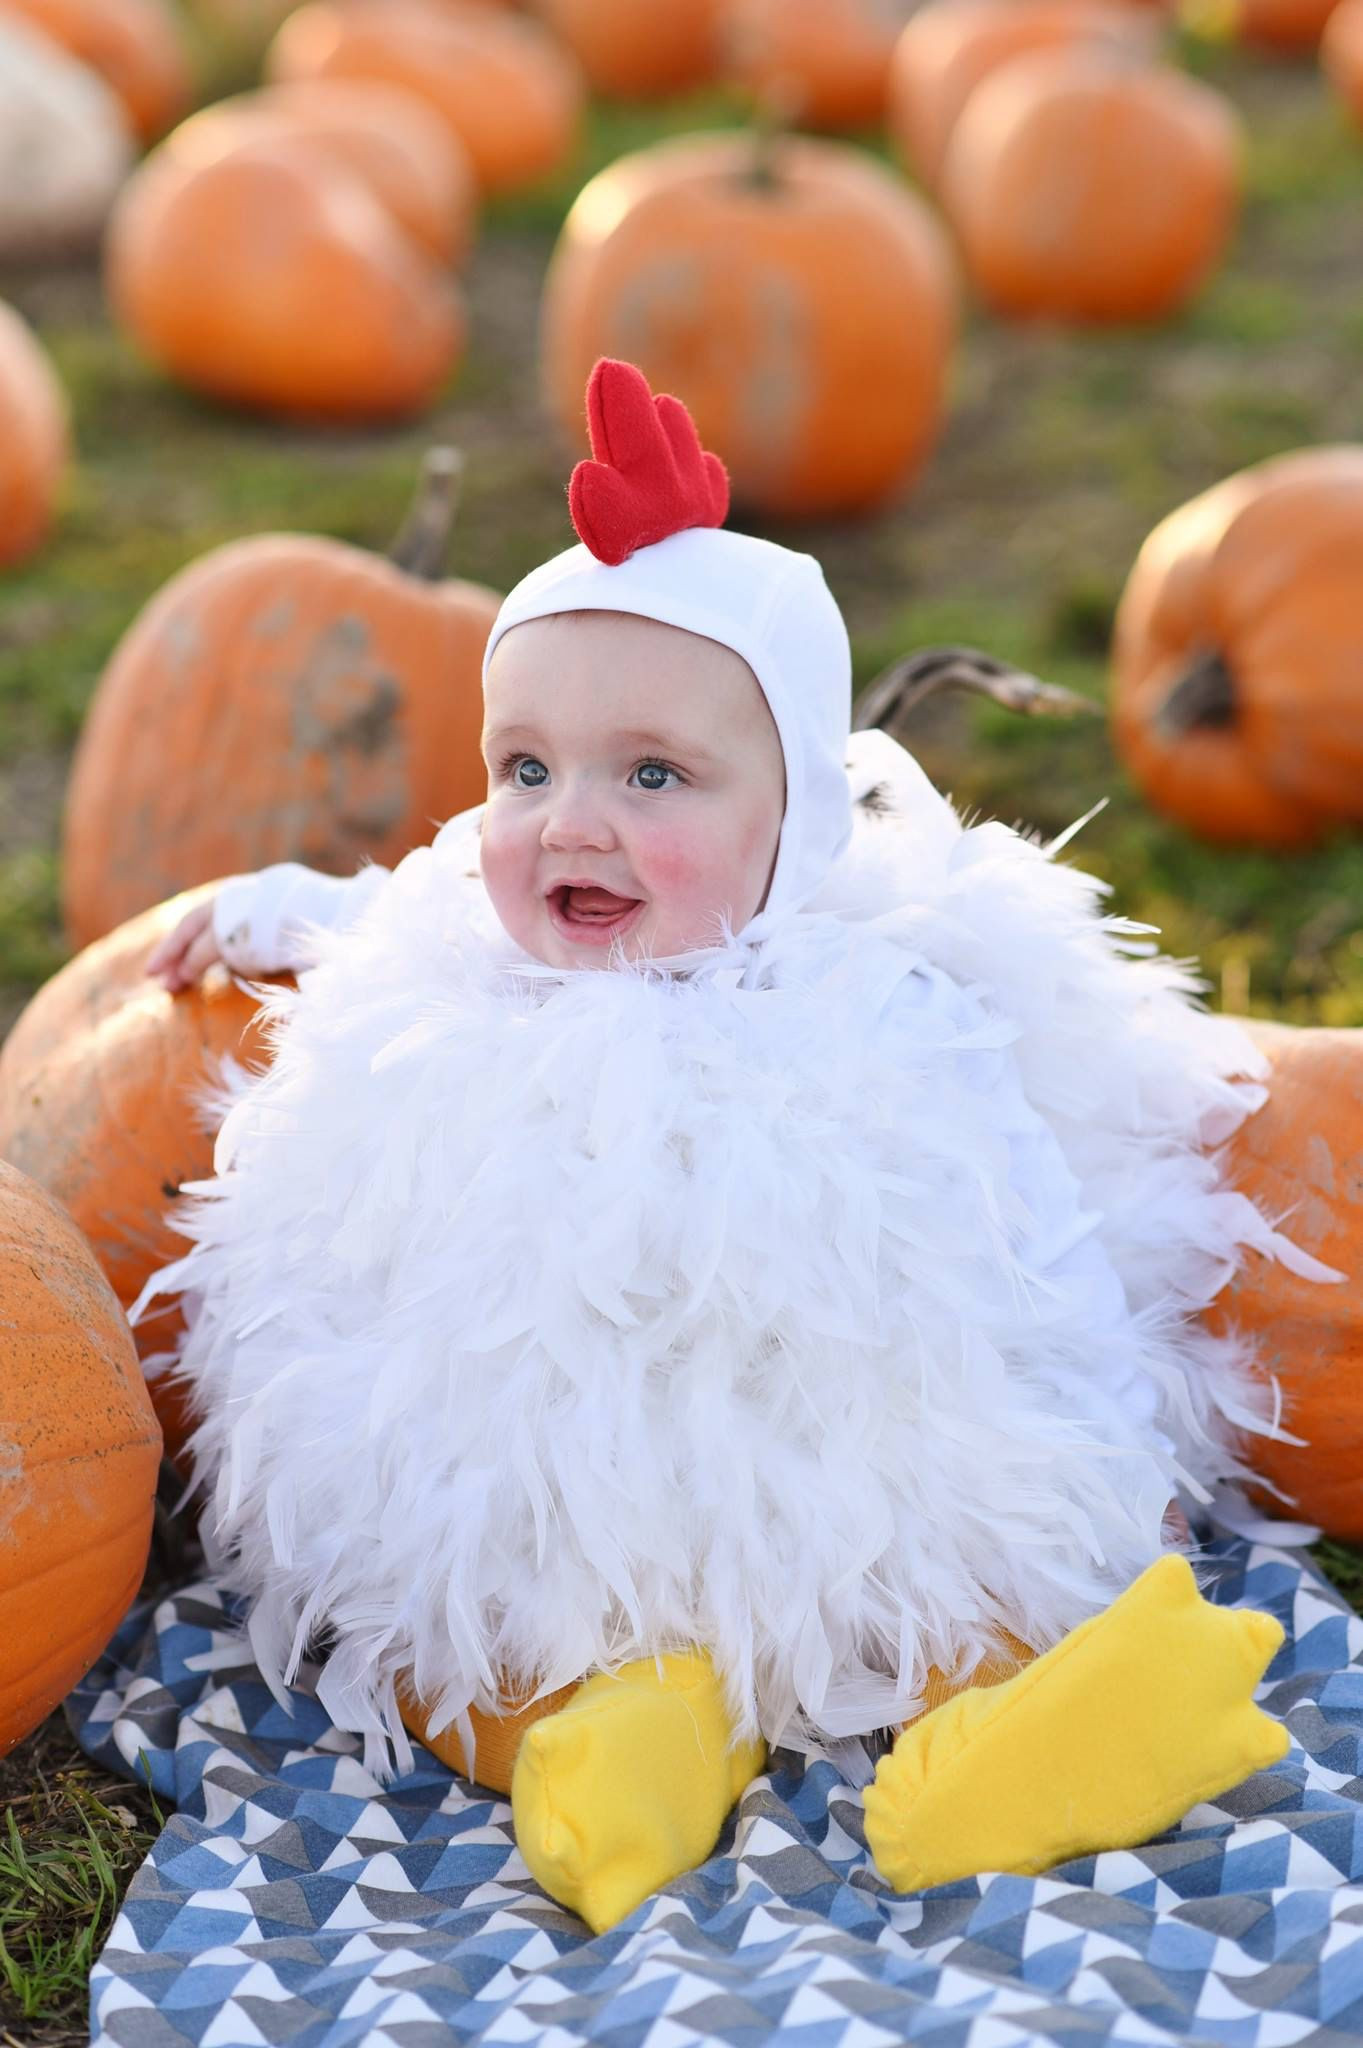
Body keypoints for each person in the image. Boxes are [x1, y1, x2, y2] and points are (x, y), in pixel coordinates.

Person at [140, 359, 1319, 1935]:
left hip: (826, 1446)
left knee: (952, 1558)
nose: (570, 821)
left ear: (799, 821)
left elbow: (1021, 1232)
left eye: (652, 775)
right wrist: (261, 908)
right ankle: (596, 1730)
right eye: (526, 767)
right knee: (432, 1583)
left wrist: (1106, 1454)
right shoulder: (469, 959)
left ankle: (1033, 1717)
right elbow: (392, 903)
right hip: (544, 1439)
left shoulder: (879, 1009)